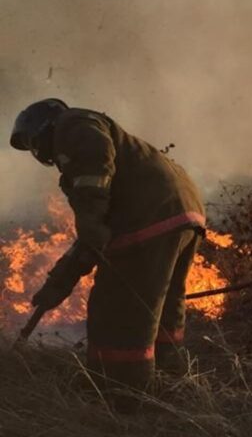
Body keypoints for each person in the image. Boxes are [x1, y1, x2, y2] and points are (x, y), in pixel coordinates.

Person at [9, 99, 205, 405]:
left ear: (43, 127)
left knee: (118, 309)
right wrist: (58, 284)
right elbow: (93, 240)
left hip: (150, 219)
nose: (35, 152)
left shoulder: (73, 125)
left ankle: (121, 396)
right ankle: (171, 382)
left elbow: (94, 187)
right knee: (162, 306)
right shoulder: (94, 148)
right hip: (181, 215)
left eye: (31, 142)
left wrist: (89, 213)